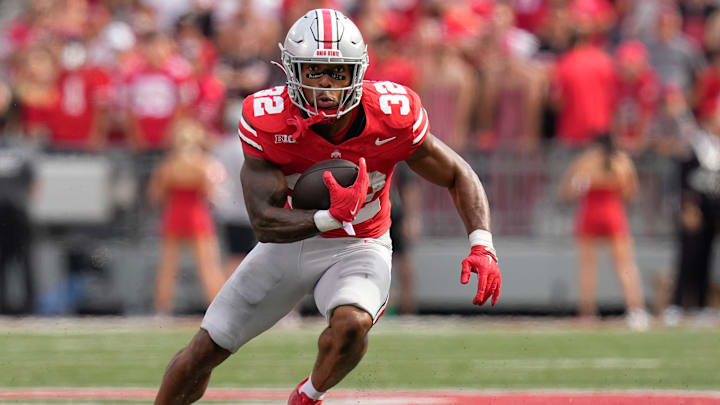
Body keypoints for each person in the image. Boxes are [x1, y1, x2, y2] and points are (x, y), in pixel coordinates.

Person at [154, 9, 501, 405]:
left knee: (352, 324)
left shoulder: (392, 114)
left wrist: (481, 243)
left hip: (360, 244)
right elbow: (265, 221)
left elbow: (457, 172)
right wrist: (330, 215)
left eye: (337, 73)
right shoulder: (267, 117)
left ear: (358, 73)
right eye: (313, 70)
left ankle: (309, 395)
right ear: (291, 69)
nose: (325, 84)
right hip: (287, 244)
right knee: (203, 352)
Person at [560, 135, 649, 331]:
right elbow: (630, 192)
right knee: (625, 265)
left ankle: (587, 313)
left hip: (591, 211)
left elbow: (567, 191)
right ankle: (636, 310)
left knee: (587, 267)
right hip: (612, 211)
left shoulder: (585, 161)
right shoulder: (622, 161)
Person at [147, 118, 226, 315]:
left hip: (174, 214)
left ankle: (162, 309)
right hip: (197, 215)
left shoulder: (167, 166)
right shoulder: (205, 165)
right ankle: (219, 309)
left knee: (168, 267)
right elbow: (213, 193)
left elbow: (155, 195)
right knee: (208, 266)